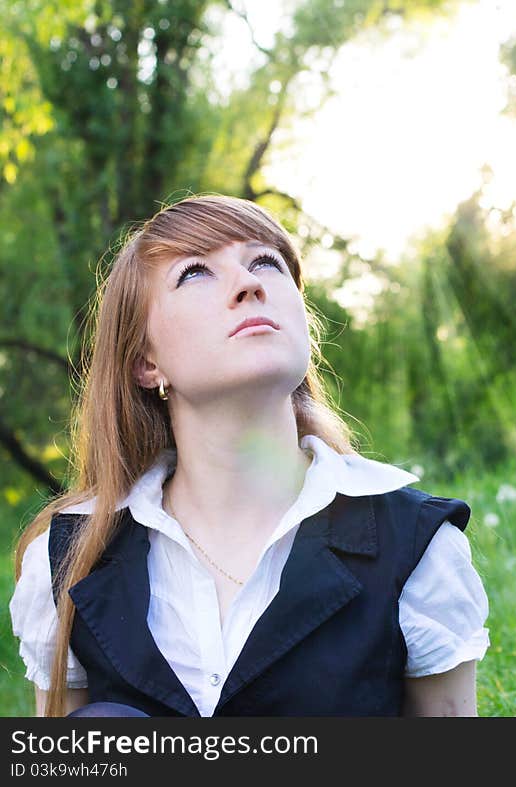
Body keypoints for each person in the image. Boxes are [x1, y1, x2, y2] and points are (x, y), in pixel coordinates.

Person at [9, 194, 490, 717]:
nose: (249, 283)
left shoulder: (414, 545)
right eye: (194, 273)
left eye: (266, 262)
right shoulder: (70, 558)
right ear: (145, 362)